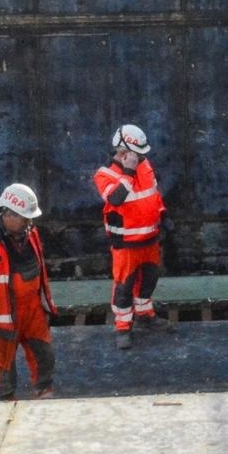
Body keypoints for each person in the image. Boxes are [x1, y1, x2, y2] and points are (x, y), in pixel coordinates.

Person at [0, 183, 57, 399]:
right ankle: (5, 403)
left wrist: (46, 305)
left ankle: (44, 394)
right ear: (9, 214)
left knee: (44, 355)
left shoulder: (31, 234)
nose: (29, 224)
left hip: (33, 311)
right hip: (4, 317)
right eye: (25, 219)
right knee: (4, 366)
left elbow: (41, 272)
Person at [93, 124, 166, 350]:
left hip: (150, 239)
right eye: (137, 153)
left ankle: (144, 314)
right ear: (124, 150)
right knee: (124, 286)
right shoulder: (105, 174)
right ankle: (123, 326)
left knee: (149, 279)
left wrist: (163, 215)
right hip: (126, 244)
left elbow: (153, 194)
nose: (141, 157)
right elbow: (116, 199)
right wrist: (129, 172)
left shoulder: (145, 164)